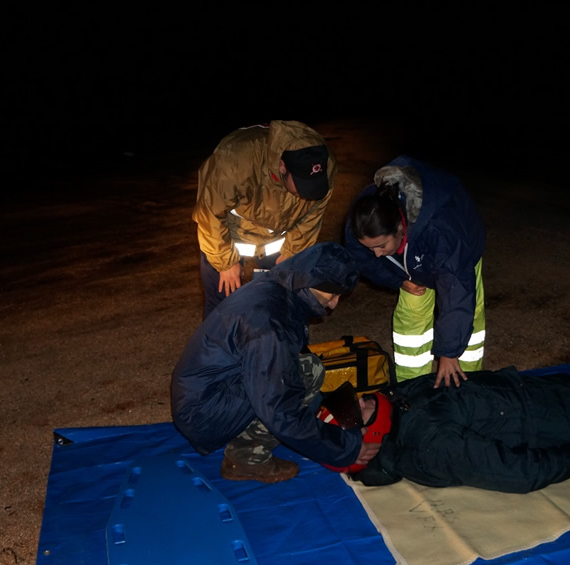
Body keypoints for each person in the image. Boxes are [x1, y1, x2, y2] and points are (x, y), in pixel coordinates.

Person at [318, 346, 570, 494]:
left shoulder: (395, 407)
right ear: (366, 443)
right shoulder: (429, 447)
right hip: (538, 422)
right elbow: (513, 473)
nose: (364, 398)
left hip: (516, 392)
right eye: (360, 409)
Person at [170, 242, 380, 483]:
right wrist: (346, 448)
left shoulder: (278, 285)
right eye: (332, 294)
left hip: (202, 396)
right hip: (203, 415)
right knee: (307, 373)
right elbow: (281, 409)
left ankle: (243, 433)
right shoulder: (272, 324)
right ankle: (245, 460)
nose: (334, 304)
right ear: (310, 282)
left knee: (300, 370)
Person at [345, 155, 486, 388]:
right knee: (410, 319)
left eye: (381, 246)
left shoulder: (440, 230)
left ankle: (466, 383)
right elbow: (362, 259)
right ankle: (411, 387)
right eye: (371, 248)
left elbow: (456, 291)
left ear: (400, 228)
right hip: (414, 260)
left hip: (459, 252)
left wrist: (449, 353)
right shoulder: (362, 224)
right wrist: (397, 280)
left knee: (466, 311)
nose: (377, 254)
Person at [193, 120, 337, 318]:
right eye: (301, 186)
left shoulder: (325, 166)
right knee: (222, 303)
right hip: (228, 235)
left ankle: (280, 335)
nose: (306, 195)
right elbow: (209, 214)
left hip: (278, 237)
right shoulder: (234, 161)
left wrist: (292, 252)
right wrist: (225, 263)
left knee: (286, 297)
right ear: (282, 167)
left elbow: (312, 216)